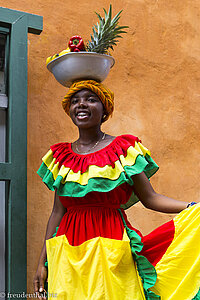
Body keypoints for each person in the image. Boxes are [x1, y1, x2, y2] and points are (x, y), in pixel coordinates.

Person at [34, 80, 200, 300]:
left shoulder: (122, 150)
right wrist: (42, 263)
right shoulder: (61, 156)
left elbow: (151, 198)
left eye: (91, 100)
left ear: (105, 110)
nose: (81, 105)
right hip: (67, 250)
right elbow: (57, 211)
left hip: (111, 244)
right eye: (75, 101)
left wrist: (191, 207)